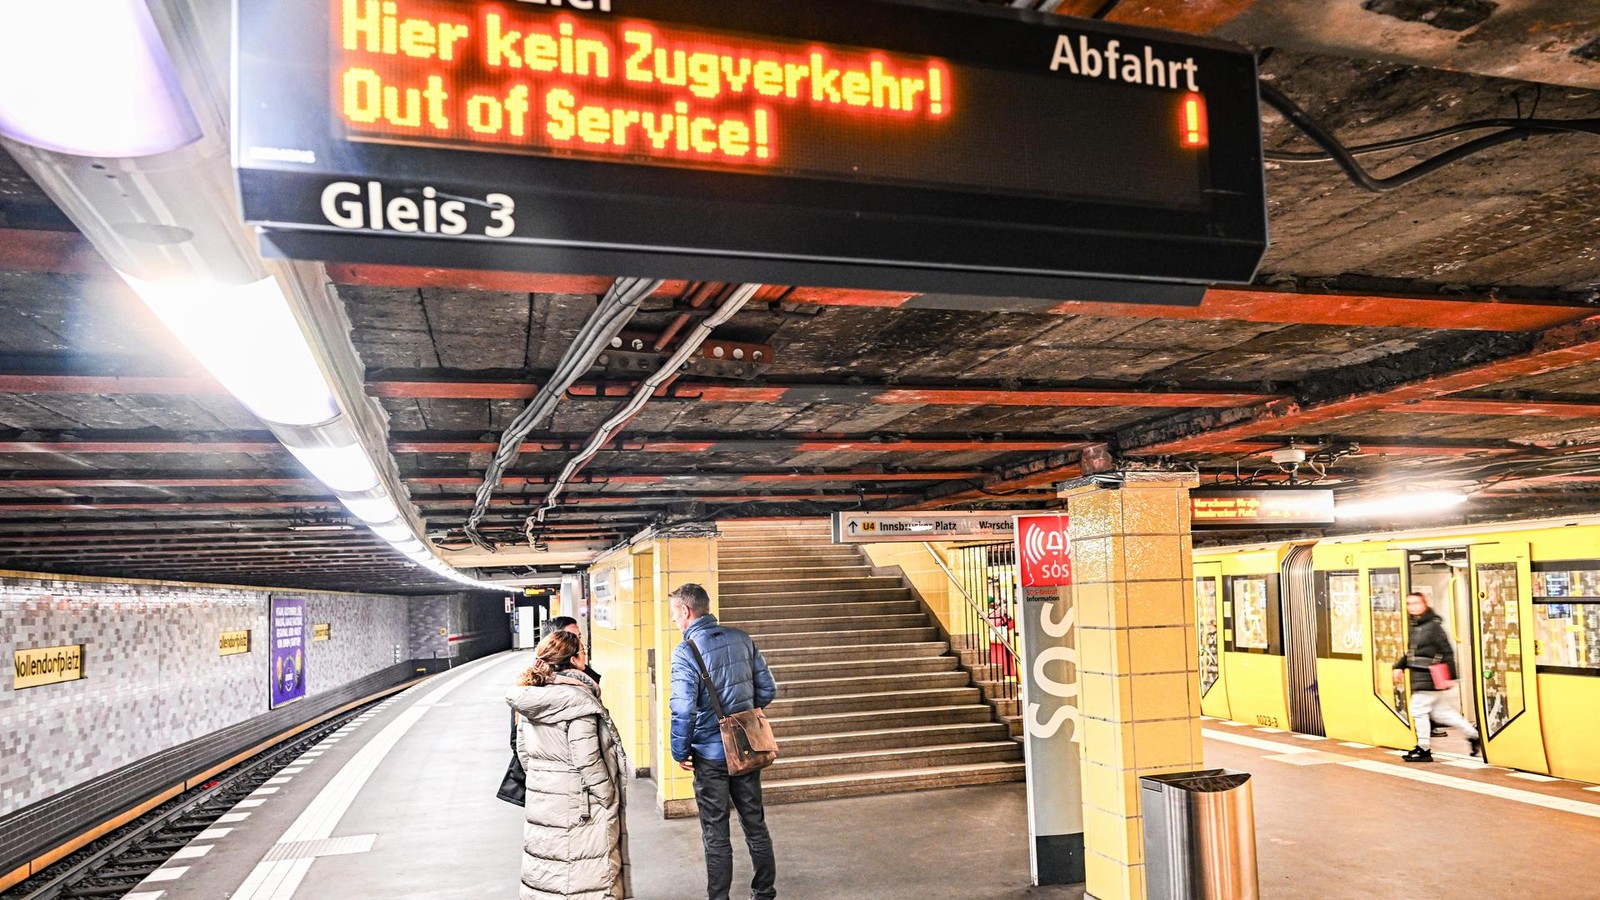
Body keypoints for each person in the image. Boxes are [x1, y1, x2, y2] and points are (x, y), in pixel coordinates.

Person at [668, 583, 779, 900]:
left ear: (686, 611)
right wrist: (741, 718)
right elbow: (768, 689)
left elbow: (683, 709)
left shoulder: (686, 651)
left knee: (715, 831)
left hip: (710, 755)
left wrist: (680, 750)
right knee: (755, 823)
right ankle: (764, 893)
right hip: (746, 747)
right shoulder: (741, 639)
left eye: (674, 613)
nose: (674, 619)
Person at [508, 630, 631, 900]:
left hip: (544, 798)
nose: (586, 655)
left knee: (549, 871)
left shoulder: (531, 697)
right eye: (583, 651)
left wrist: (544, 781)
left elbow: (523, 752)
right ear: (573, 660)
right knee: (585, 877)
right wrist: (606, 795)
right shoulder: (578, 700)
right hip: (580, 804)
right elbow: (587, 758)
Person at [1392, 591, 1481, 763]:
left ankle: (1423, 748)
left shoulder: (1433, 626)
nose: (1412, 607)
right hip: (1421, 675)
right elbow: (1411, 653)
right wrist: (1399, 666)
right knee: (1441, 713)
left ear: (1425, 604)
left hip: (1429, 676)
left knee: (1418, 709)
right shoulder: (1415, 625)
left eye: (1416, 603)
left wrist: (1451, 676)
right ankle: (1474, 735)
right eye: (1409, 604)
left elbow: (1447, 651)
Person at [544, 615, 602, 684]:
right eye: (570, 639)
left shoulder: (581, 672)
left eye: (579, 637)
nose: (579, 644)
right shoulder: (549, 680)